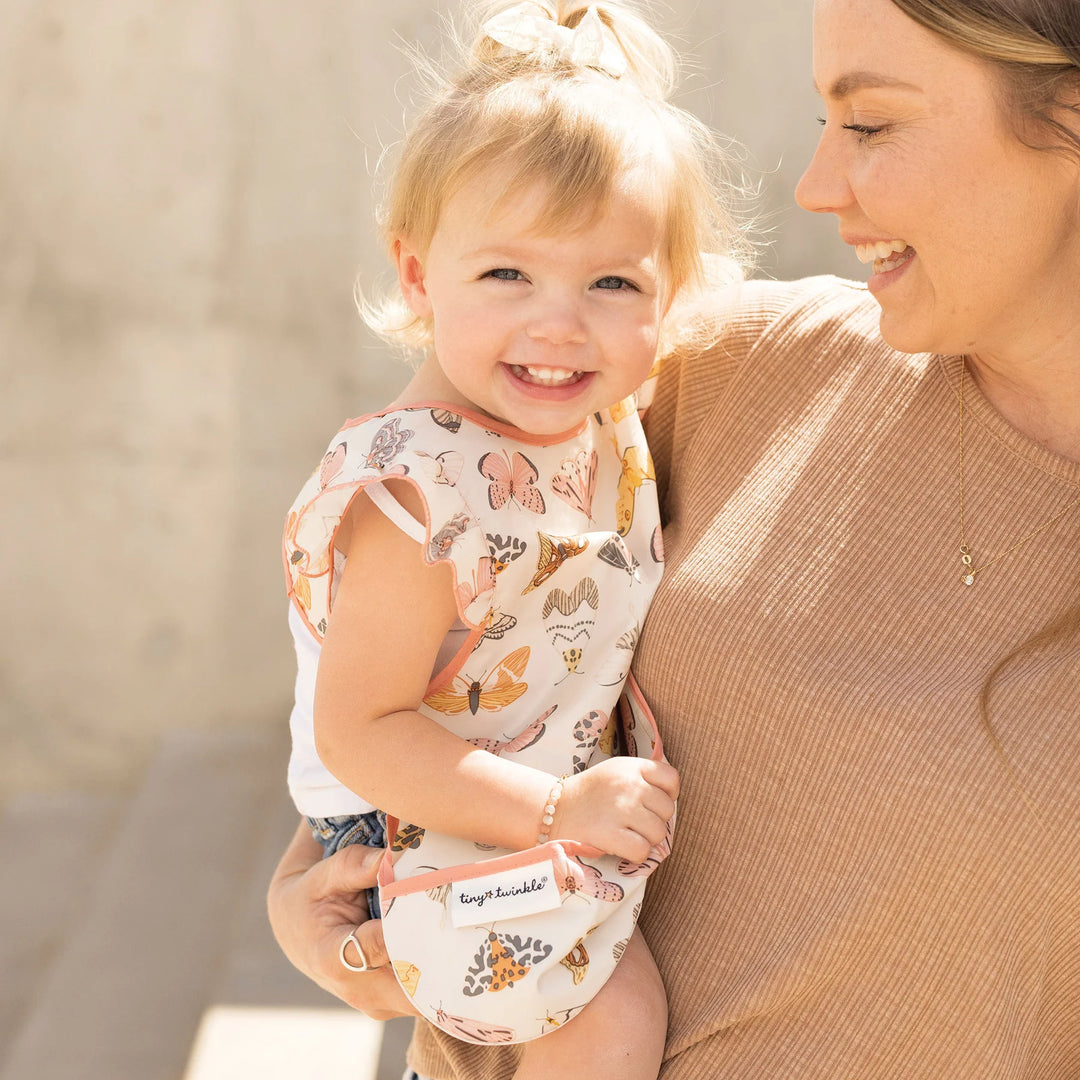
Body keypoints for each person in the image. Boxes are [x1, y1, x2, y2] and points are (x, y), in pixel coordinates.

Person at [270, 0, 1080, 1077]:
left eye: (872, 125)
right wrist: (310, 891)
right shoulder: (732, 365)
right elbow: (423, 669)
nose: (816, 185)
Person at [278, 2, 748, 1075]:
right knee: (609, 1018)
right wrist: (552, 811)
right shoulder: (420, 496)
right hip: (410, 808)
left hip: (520, 778)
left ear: (670, 297)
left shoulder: (604, 425)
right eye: (507, 275)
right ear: (415, 274)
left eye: (612, 282)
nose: (558, 323)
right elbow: (364, 729)